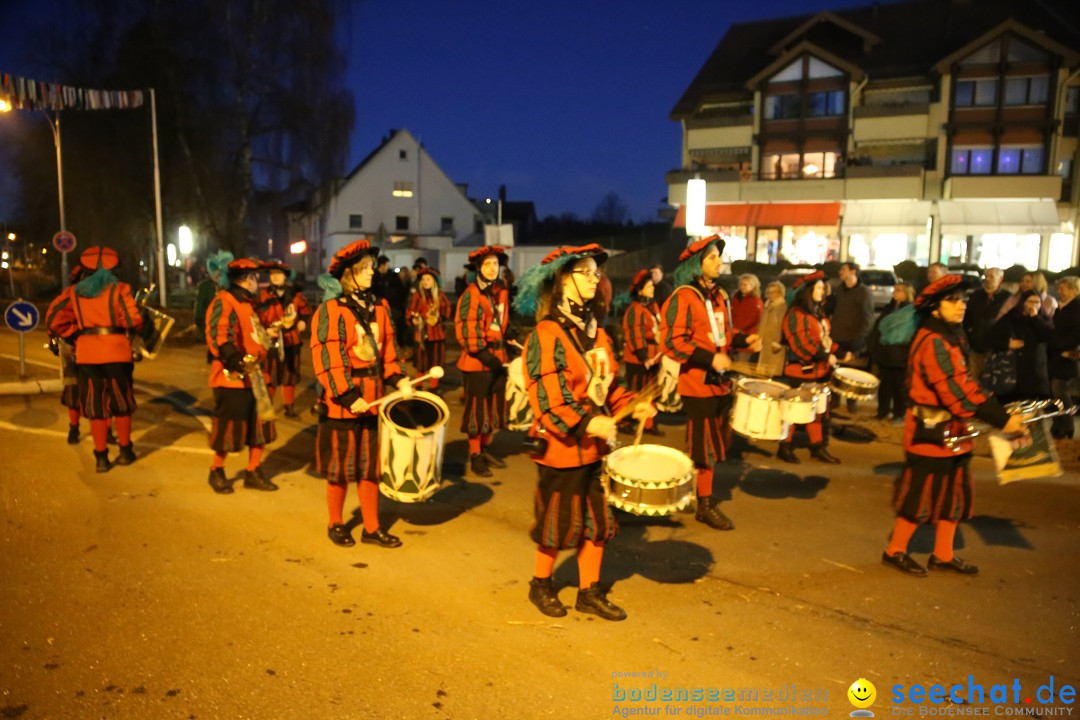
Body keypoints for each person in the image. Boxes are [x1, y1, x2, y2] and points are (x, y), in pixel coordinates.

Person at [514, 243, 655, 621]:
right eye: (586, 272)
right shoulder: (546, 334)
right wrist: (587, 421)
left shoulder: (596, 333)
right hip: (561, 448)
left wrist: (632, 403)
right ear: (563, 280)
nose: (595, 279)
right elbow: (548, 398)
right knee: (556, 525)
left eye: (597, 273)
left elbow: (608, 385)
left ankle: (588, 591)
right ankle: (540, 584)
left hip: (596, 447)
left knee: (597, 523)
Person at [881, 274, 1026, 577]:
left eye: (963, 299)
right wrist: (1002, 418)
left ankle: (943, 554)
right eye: (953, 300)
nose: (961, 305)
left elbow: (967, 384)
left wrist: (999, 410)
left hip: (953, 432)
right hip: (929, 433)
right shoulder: (932, 341)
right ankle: (894, 550)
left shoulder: (950, 335)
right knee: (921, 494)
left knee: (953, 493)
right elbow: (957, 392)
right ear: (935, 308)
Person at [310, 239, 413, 548]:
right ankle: (336, 522)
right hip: (345, 403)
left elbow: (389, 353)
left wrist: (398, 380)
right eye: (364, 268)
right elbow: (328, 358)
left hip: (373, 400)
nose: (371, 273)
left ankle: (371, 527)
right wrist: (347, 395)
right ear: (349, 275)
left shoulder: (380, 309)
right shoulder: (332, 311)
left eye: (371, 267)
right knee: (340, 468)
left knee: (369, 468)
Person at [660, 235, 753, 530]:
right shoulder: (683, 296)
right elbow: (671, 342)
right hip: (697, 383)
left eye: (718, 257)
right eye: (711, 258)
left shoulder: (720, 296)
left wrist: (744, 340)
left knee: (711, 444)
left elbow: (724, 333)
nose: (718, 262)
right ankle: (705, 504)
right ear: (695, 265)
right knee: (704, 448)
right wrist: (709, 358)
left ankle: (690, 493)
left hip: (720, 382)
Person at [48, 246, 143, 473]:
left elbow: (53, 318)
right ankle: (125, 451)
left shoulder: (75, 292)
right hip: (117, 351)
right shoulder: (120, 289)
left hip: (87, 354)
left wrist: (75, 333)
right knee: (121, 402)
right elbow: (133, 320)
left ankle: (101, 458)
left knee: (95, 404)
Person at [203, 254, 278, 494]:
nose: (259, 283)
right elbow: (219, 333)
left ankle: (253, 471)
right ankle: (216, 470)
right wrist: (235, 358)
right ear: (247, 279)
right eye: (256, 278)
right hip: (232, 377)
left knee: (260, 427)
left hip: (256, 375)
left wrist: (268, 338)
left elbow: (253, 335)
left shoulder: (248, 304)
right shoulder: (225, 301)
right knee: (229, 428)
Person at [778, 271, 845, 465]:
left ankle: (817, 447)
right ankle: (784, 446)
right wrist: (826, 355)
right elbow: (802, 344)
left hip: (819, 370)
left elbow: (823, 340)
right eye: (819, 288)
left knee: (817, 410)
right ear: (808, 291)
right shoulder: (795, 314)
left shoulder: (817, 312)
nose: (823, 291)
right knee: (794, 410)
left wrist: (840, 352)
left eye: (823, 288)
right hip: (800, 371)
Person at [456, 245, 511, 477]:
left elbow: (500, 323)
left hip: (498, 358)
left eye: (495, 264)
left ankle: (485, 448)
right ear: (478, 268)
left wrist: (511, 335)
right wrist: (489, 358)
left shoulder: (500, 291)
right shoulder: (471, 295)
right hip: (478, 361)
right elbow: (468, 334)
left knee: (493, 408)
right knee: (477, 411)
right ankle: (475, 454)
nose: (492, 268)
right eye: (487, 264)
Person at [257, 261, 311, 418]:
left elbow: (306, 310)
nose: (275, 277)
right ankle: (268, 406)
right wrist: (266, 329)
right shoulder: (265, 295)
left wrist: (303, 321)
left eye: (279, 274)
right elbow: (258, 316)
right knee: (272, 375)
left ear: (285, 277)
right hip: (273, 338)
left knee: (290, 375)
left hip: (291, 339)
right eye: (273, 274)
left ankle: (289, 406)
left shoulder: (295, 295)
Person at [984, 290, 1054, 403]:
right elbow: (989, 339)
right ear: (1022, 302)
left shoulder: (1043, 319)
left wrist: (1035, 318)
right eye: (1030, 301)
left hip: (1034, 375)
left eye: (1037, 302)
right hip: (1011, 372)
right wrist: (1007, 344)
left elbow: (1048, 335)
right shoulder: (1011, 317)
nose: (1034, 305)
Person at [44, 265, 85, 444]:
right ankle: (98, 432)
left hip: (73, 345)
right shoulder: (77, 294)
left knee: (73, 388)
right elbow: (53, 320)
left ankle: (74, 429)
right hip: (79, 346)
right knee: (98, 389)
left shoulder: (69, 293)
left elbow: (52, 321)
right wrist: (74, 332)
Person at [621, 269, 663, 436]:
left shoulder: (652, 306)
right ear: (640, 290)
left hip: (655, 356)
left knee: (650, 392)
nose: (652, 288)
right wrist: (643, 356)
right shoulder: (635, 309)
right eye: (649, 286)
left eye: (652, 285)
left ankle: (647, 423)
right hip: (639, 359)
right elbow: (634, 333)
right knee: (635, 391)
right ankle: (625, 420)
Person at [867, 284, 915, 422]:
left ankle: (898, 413)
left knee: (898, 385)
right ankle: (882, 411)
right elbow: (879, 328)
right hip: (885, 351)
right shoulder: (889, 308)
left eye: (898, 290)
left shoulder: (910, 311)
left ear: (906, 293)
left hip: (900, 352)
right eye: (895, 290)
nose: (894, 292)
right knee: (884, 384)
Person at [407, 267, 452, 391]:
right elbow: (410, 311)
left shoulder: (440, 295)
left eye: (428, 279)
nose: (426, 282)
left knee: (435, 362)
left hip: (437, 334)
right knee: (421, 362)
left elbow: (447, 310)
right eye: (423, 279)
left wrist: (440, 318)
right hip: (422, 334)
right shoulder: (417, 296)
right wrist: (413, 319)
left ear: (434, 281)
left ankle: (434, 387)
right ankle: (419, 386)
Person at [963, 268, 1009, 382]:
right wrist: (970, 333)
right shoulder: (976, 296)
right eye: (986, 276)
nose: (987, 279)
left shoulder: (1007, 298)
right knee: (973, 380)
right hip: (976, 347)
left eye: (991, 277)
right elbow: (966, 317)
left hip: (996, 350)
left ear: (1000, 279)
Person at [1049, 276, 1080, 439]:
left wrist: (1061, 345)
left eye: (1063, 288)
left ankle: (1067, 425)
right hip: (1057, 355)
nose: (1059, 291)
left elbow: (1075, 334)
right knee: (1056, 391)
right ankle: (1059, 424)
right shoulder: (1062, 307)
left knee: (1060, 390)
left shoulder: (1076, 308)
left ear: (1073, 290)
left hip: (1066, 356)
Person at [755, 281, 787, 377]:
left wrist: (779, 342)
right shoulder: (768, 306)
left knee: (771, 372)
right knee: (764, 373)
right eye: (769, 292)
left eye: (774, 292)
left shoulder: (781, 307)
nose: (770, 295)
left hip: (774, 344)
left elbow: (783, 326)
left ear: (780, 293)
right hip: (765, 343)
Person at [730, 274, 763, 362]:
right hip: (736, 334)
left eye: (745, 284)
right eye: (741, 284)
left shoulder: (755, 300)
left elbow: (752, 318)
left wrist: (737, 328)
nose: (742, 287)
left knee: (744, 361)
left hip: (748, 335)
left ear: (753, 286)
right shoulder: (736, 299)